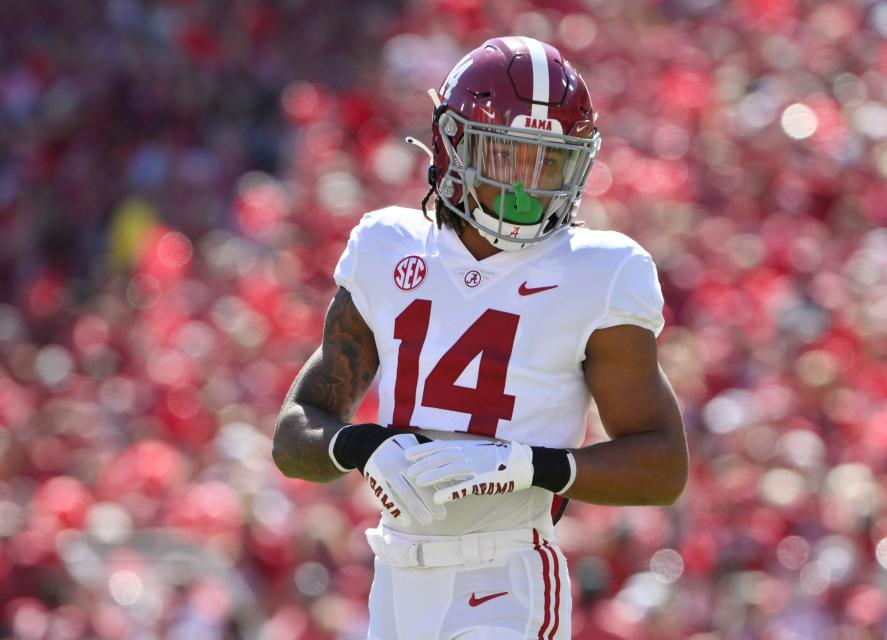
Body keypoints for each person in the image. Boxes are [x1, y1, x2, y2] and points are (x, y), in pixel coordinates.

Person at [273, 36, 688, 640]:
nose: (530, 186)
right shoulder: (387, 246)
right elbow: (294, 434)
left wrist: (526, 466)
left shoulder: (601, 271)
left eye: (550, 161)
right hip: (394, 579)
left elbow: (661, 465)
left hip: (506, 578)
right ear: (453, 146)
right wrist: (365, 447)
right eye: (508, 155)